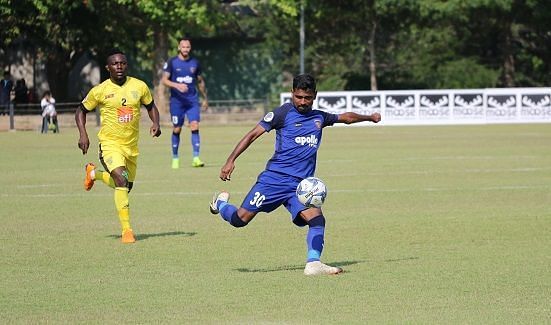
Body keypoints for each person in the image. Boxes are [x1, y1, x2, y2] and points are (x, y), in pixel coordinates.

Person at [210, 74, 381, 276]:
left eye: (307, 98)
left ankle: (313, 263)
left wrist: (369, 117)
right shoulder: (282, 114)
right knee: (240, 220)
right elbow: (252, 135)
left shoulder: (319, 118)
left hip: (300, 187)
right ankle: (220, 204)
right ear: (292, 93)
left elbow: (346, 118)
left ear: (314, 96)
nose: (302, 102)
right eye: (298, 97)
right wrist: (230, 160)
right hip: (273, 181)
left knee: (317, 220)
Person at [75, 49, 162, 244]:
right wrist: (83, 134)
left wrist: (156, 123)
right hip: (110, 145)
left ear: (126, 65)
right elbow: (80, 111)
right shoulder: (100, 90)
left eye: (122, 63)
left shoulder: (139, 86)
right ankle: (127, 231)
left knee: (123, 185)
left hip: (131, 147)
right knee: (121, 182)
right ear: (108, 68)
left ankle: (93, 174)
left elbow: (151, 106)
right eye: (115, 64)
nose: (119, 66)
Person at [161, 37, 208, 169]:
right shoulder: (172, 62)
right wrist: (177, 85)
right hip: (177, 102)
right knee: (177, 128)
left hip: (192, 101)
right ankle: (175, 158)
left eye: (187, 47)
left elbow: (200, 81)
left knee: (194, 125)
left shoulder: (195, 63)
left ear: (190, 48)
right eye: (183, 47)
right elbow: (164, 80)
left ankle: (196, 158)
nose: (185, 49)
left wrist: (205, 98)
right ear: (179, 48)